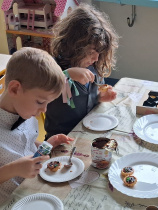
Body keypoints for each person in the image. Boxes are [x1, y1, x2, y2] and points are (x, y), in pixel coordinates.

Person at [0, 47, 73, 203]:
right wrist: (14, 169)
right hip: (12, 201)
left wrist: (47, 144)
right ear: (14, 89)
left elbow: (25, 143)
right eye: (40, 102)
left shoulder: (25, 110)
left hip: (34, 189)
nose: (44, 110)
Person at [44, 4, 119, 139]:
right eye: (91, 52)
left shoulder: (94, 67)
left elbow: (88, 100)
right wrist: (66, 75)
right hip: (60, 140)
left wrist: (99, 97)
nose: (96, 58)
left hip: (87, 134)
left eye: (99, 53)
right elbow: (42, 88)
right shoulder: (52, 67)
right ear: (75, 46)